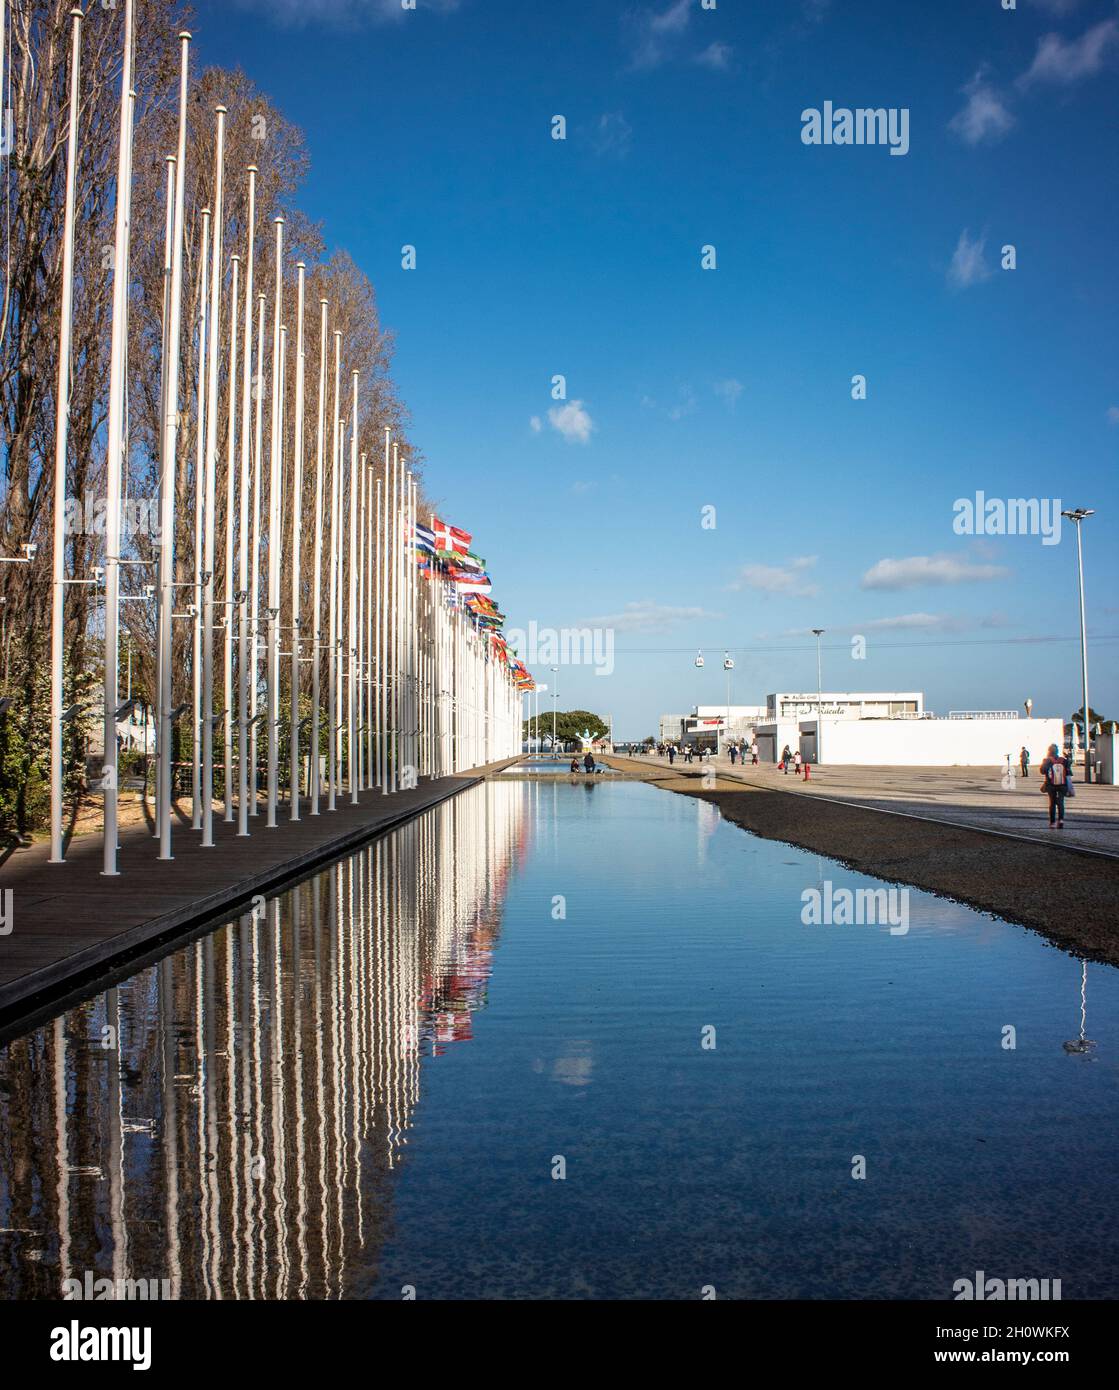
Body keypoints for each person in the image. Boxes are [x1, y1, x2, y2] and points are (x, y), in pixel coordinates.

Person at [1039, 743, 1071, 827]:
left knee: (1052, 803)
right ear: (1057, 751)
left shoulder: (1047, 760)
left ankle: (1052, 822)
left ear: (1049, 751)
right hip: (1062, 785)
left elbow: (1042, 771)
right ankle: (1061, 820)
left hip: (1051, 785)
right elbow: (1068, 773)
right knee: (1061, 803)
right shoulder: (1064, 760)